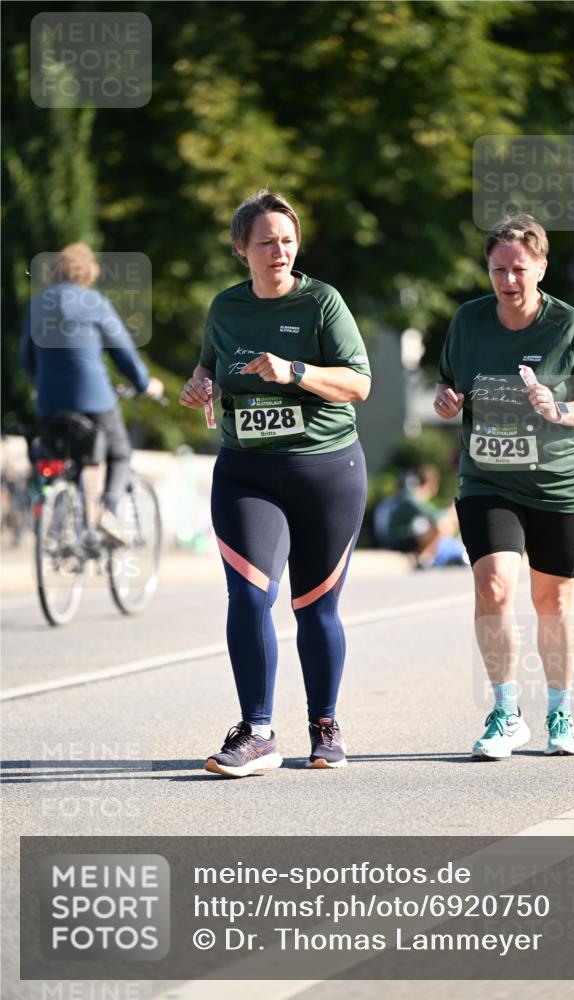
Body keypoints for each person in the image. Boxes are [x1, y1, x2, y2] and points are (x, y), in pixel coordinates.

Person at [179, 189, 371, 778]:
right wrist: (200, 386)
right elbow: (209, 367)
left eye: (287, 241)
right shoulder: (226, 308)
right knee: (249, 596)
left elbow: (359, 385)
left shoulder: (323, 303)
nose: (279, 251)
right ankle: (258, 731)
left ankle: (325, 724)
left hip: (324, 471)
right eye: (266, 242)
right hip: (246, 471)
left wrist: (298, 372)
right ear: (242, 249)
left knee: (314, 606)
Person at [433, 214, 574, 760]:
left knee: (552, 599)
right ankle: (505, 712)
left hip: (560, 483)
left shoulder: (567, 327)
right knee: (494, 587)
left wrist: (559, 408)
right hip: (490, 477)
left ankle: (559, 711)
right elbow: (449, 382)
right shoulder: (468, 323)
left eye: (518, 269)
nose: (508, 281)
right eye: (497, 270)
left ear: (540, 267)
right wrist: (446, 400)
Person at [20, 242, 163, 541]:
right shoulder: (93, 302)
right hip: (94, 398)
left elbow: (26, 360)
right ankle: (106, 512)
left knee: (68, 454)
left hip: (49, 402)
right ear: (89, 273)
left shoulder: (37, 304)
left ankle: (65, 521)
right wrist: (144, 383)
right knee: (120, 452)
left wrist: (45, 385)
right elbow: (123, 352)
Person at [383, 465, 466, 567]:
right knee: (441, 527)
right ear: (433, 485)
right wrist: (451, 511)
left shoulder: (415, 497)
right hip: (398, 539)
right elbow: (435, 516)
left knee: (445, 525)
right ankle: (425, 559)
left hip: (408, 536)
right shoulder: (412, 498)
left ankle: (428, 558)